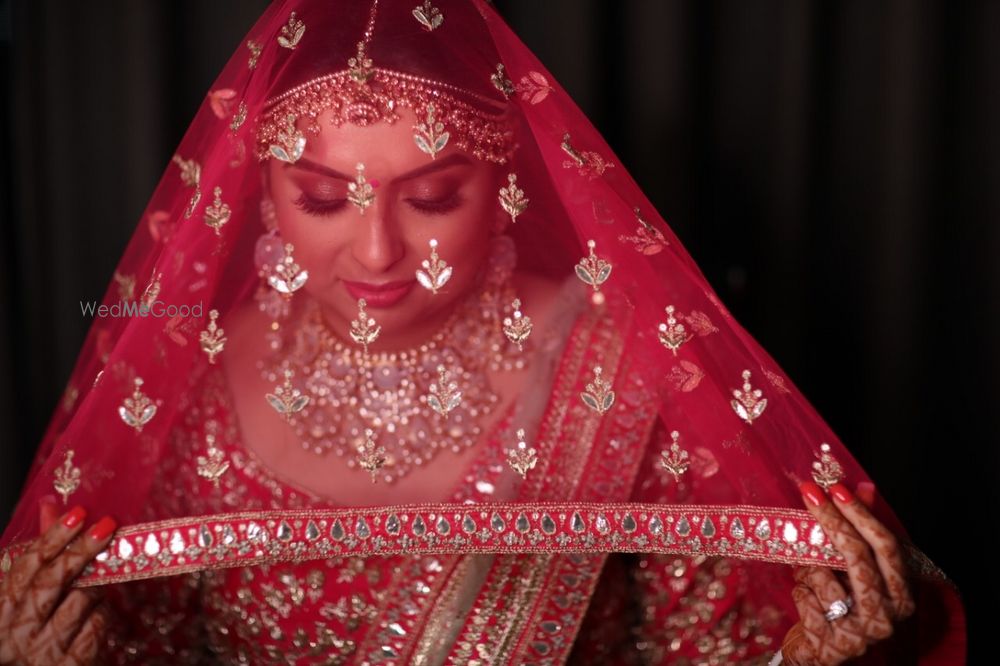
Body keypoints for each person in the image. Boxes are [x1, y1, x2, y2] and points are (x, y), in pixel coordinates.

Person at [0, 1, 965, 663]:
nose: (377, 252)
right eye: (324, 198)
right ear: (261, 193)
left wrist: (814, 650)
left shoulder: (614, 362)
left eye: (431, 197)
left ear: (503, 189)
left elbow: (701, 647)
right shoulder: (187, 384)